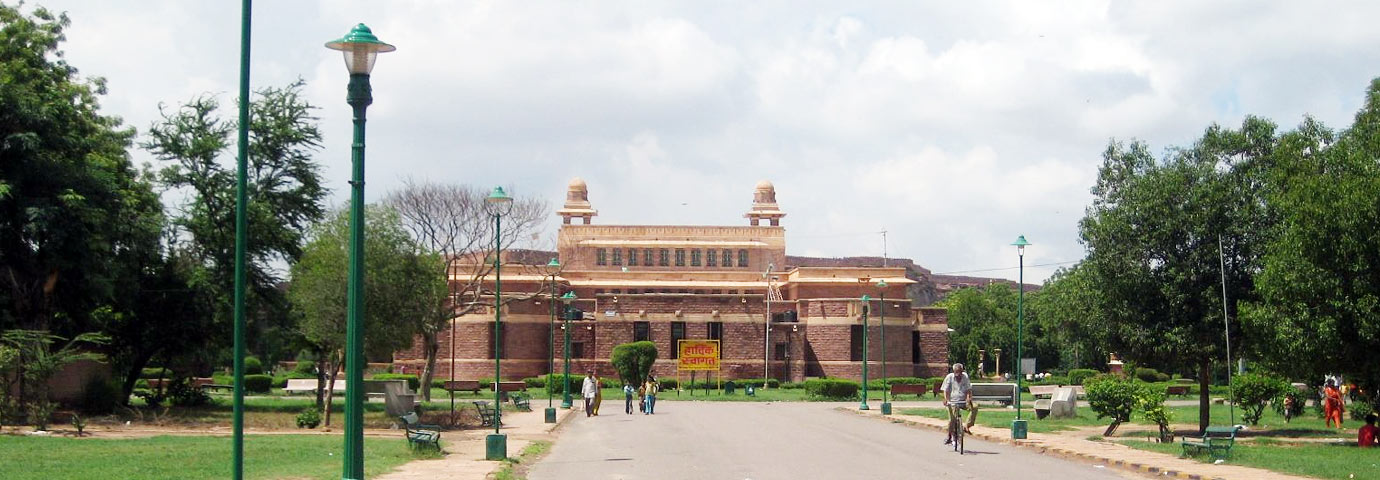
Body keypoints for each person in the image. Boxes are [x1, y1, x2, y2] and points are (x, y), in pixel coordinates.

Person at [940, 362, 977, 445]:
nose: (958, 375)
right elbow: (945, 390)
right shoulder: (949, 377)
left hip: (963, 401)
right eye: (956, 372)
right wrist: (946, 399)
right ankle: (949, 436)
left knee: (974, 407)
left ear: (962, 371)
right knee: (952, 420)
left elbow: (968, 389)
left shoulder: (965, 377)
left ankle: (967, 426)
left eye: (960, 372)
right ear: (953, 372)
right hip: (952, 402)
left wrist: (968, 398)